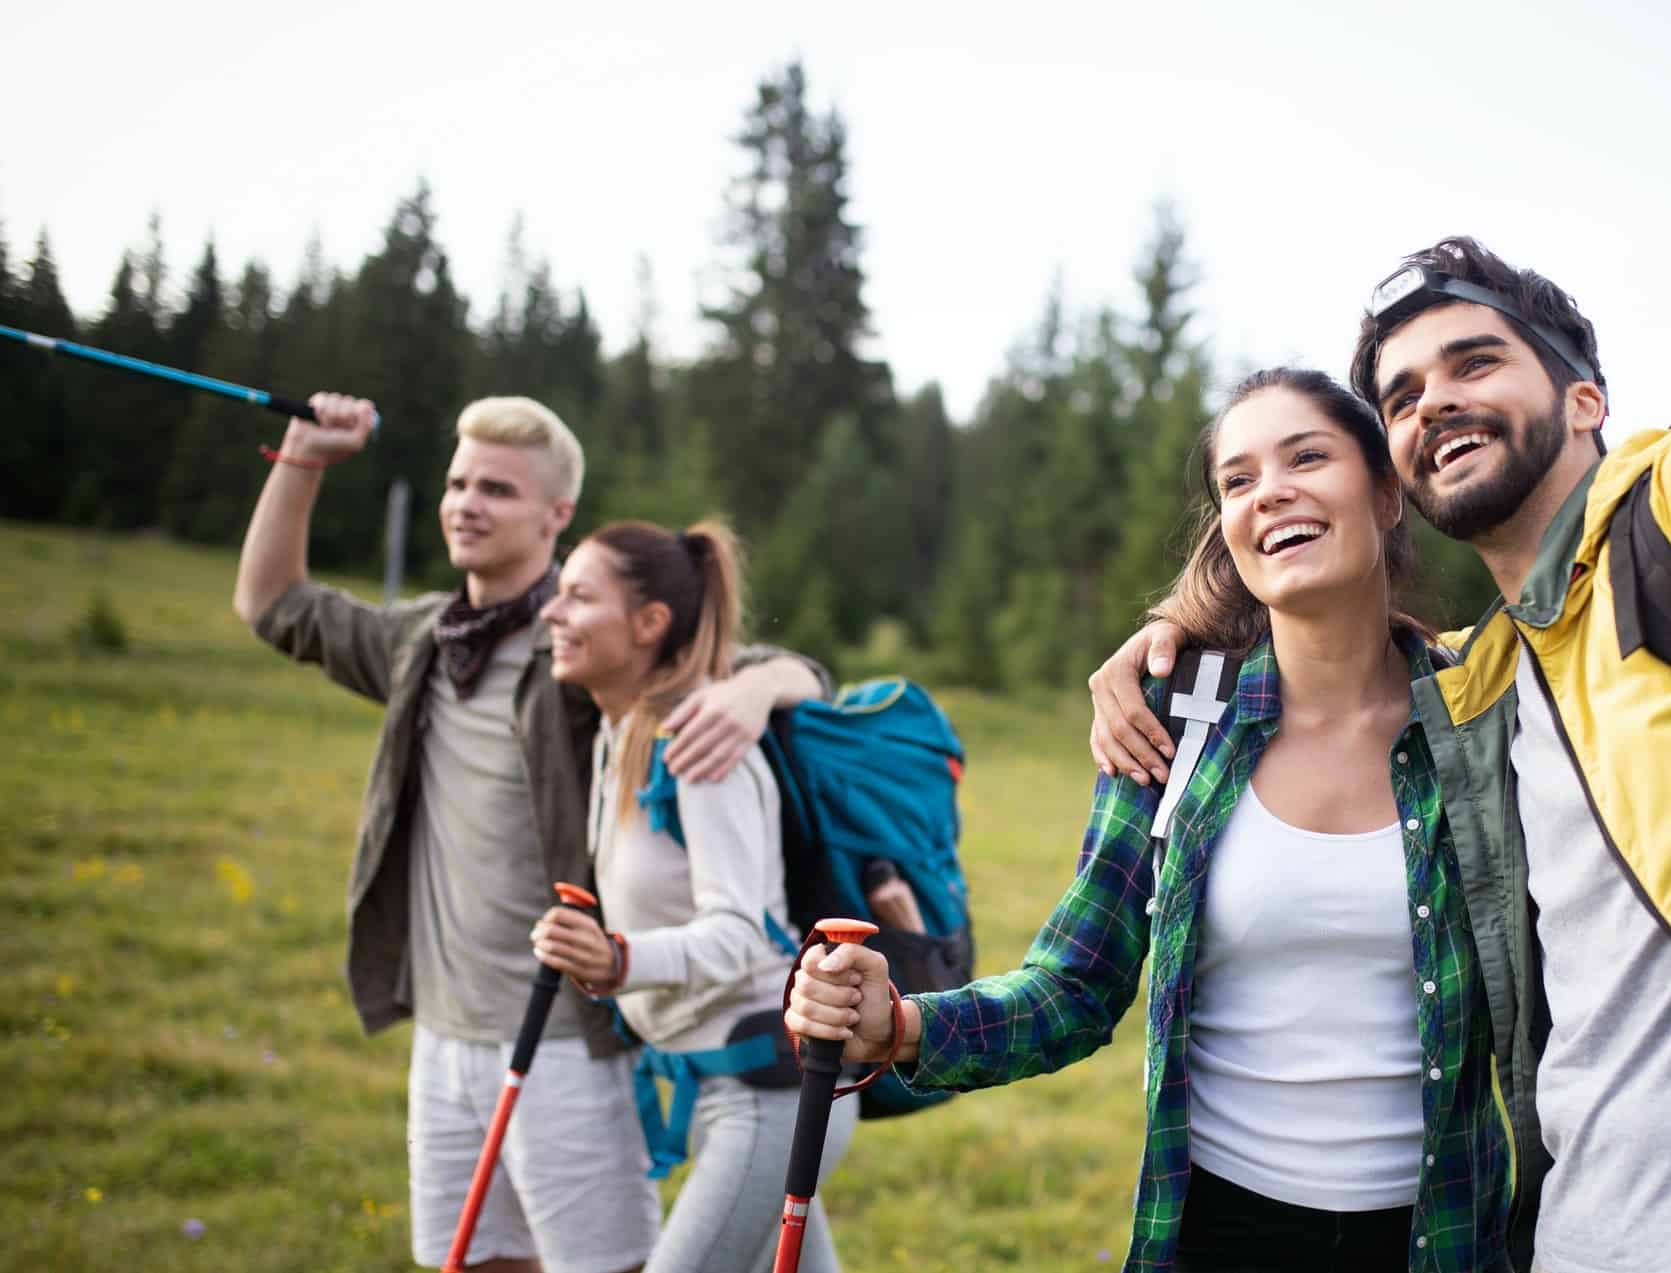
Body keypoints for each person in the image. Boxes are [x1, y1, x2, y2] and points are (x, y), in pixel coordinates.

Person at [1086, 16, 1671, 1273]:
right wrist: (1181, 624)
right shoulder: (1485, 677)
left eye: (1471, 363)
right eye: (1398, 395)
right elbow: (1335, 626)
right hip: (1566, 1240)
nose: (1430, 403)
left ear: (1582, 398)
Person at [789, 367, 1515, 1272]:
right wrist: (899, 1024)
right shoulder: (1175, 719)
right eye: (1238, 480)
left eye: (1307, 456)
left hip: (1439, 1237)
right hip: (1215, 1230)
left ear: (1385, 490)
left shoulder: (1486, 715)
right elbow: (1077, 983)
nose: (1271, 491)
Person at [232, 394, 829, 1273]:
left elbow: (774, 668)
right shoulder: (421, 641)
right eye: (457, 482)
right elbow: (274, 604)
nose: (467, 503)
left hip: (564, 1036)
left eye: (498, 489)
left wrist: (755, 687)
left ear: (556, 515)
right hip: (443, 1030)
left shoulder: (593, 643)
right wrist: (302, 456)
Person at [526, 518, 857, 1273]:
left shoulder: (698, 743)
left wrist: (617, 957)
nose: (553, 611)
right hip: (728, 1091)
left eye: (578, 597)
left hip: (765, 1092)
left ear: (649, 623)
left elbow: (747, 932)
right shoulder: (620, 731)